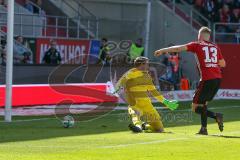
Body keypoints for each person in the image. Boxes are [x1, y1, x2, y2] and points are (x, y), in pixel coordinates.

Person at [154, 26, 226, 135]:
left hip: (207, 79)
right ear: (209, 36)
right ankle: (204, 129)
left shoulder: (197, 45)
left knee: (195, 107)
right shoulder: (215, 47)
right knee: (203, 104)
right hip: (217, 78)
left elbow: (179, 49)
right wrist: (212, 63)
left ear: (200, 36)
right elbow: (223, 64)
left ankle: (216, 116)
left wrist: (163, 50)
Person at [114, 57, 179, 133]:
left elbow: (154, 92)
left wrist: (166, 102)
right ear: (142, 64)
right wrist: (118, 88)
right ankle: (138, 126)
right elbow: (122, 80)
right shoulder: (131, 73)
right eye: (147, 64)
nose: (148, 66)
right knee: (135, 112)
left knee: (159, 129)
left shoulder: (147, 76)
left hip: (147, 104)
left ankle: (144, 126)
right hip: (135, 103)